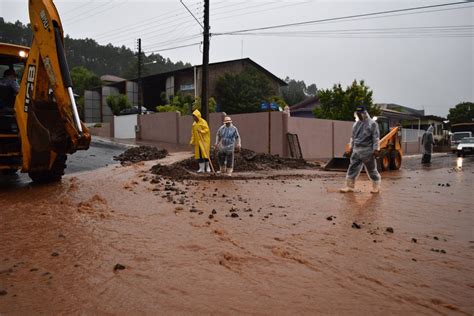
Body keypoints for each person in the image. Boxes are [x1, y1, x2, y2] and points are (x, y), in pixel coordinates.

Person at [340, 105, 381, 193]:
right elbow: (353, 137)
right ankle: (349, 186)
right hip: (356, 150)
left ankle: (376, 187)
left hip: (368, 151)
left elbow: (376, 137)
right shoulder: (356, 124)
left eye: (360, 113)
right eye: (357, 113)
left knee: (371, 169)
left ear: (365, 113)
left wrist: (376, 149)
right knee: (352, 168)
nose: (359, 115)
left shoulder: (372, 124)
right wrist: (351, 148)